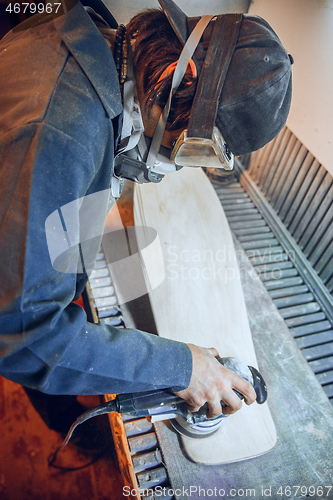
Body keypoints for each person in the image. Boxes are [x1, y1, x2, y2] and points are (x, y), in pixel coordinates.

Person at [0, 0, 292, 433]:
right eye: (194, 149)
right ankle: (65, 425)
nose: (175, 165)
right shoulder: (63, 133)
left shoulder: (94, 36)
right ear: (181, 77)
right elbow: (24, 337)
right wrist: (181, 367)